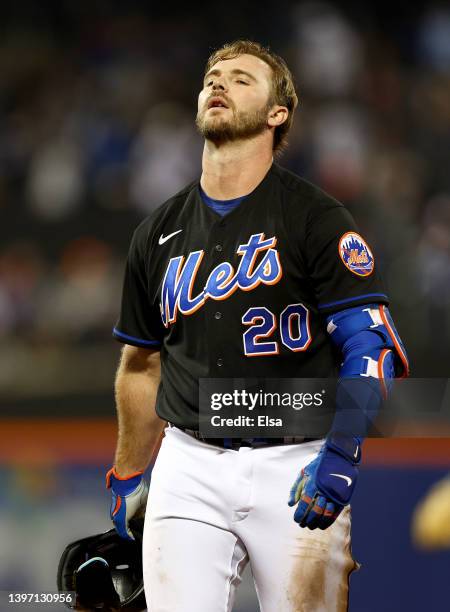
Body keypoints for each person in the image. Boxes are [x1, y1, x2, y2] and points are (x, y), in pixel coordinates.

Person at [106, 40, 409, 611]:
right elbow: (142, 362)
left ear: (278, 114)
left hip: (297, 460)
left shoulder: (315, 217)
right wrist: (127, 473)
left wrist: (342, 452)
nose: (219, 83)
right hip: (189, 461)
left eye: (242, 78)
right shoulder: (158, 231)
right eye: (212, 75)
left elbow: (370, 345)